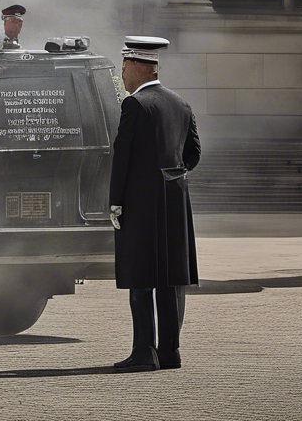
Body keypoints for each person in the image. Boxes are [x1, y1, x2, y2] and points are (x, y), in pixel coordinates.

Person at [109, 36, 201, 371]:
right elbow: (193, 155)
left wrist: (115, 202)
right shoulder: (181, 104)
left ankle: (144, 351)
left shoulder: (134, 105)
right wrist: (171, 178)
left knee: (141, 277)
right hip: (176, 201)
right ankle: (170, 352)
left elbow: (123, 157)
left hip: (141, 203)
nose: (122, 76)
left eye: (124, 68)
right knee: (171, 277)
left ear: (138, 67)